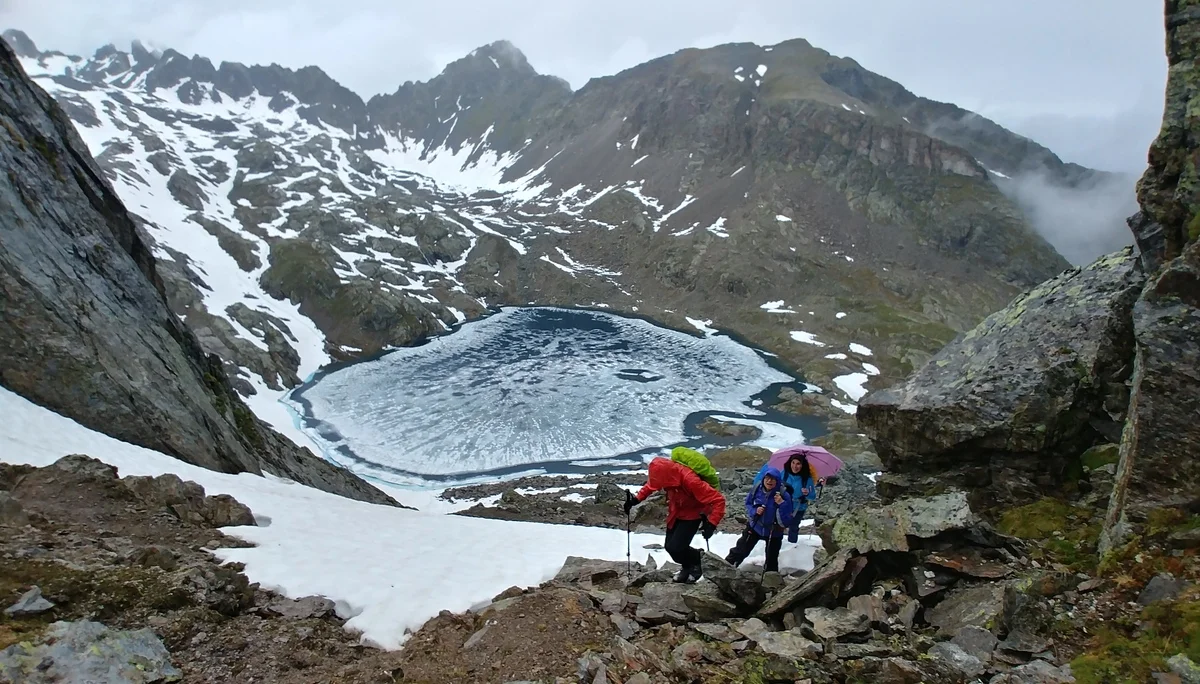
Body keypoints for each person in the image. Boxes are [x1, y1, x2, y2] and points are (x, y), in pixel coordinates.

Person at [625, 456, 726, 583]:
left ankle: (697, 560)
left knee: (677, 547)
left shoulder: (690, 480)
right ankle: (688, 566)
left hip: (693, 514)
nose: (661, 487)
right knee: (670, 547)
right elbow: (651, 485)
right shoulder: (665, 474)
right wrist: (636, 500)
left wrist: (711, 523)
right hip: (676, 512)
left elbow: (718, 500)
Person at [724, 466, 794, 572]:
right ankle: (724, 568)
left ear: (777, 481)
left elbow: (787, 520)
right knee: (740, 550)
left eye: (773, 479)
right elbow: (748, 503)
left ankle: (770, 581)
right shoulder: (757, 489)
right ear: (763, 479)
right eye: (767, 478)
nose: (769, 481)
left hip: (774, 531)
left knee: (771, 559)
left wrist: (781, 504)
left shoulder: (784, 495)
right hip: (755, 526)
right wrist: (754, 511)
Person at [780, 453, 824, 543]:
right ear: (790, 463)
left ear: (802, 465)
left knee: (794, 526)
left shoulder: (807, 479)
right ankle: (778, 544)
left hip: (799, 507)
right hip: (783, 504)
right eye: (793, 463)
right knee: (779, 525)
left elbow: (812, 496)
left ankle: (792, 545)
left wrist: (807, 493)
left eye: (798, 464)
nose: (795, 466)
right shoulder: (784, 474)